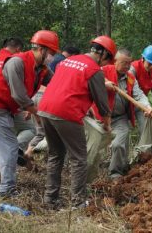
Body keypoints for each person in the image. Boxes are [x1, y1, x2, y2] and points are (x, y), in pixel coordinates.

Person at [38, 35, 113, 209]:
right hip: (66, 112)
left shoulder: (68, 61)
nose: (105, 64)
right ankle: (78, 202)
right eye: (107, 59)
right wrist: (107, 124)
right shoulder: (94, 69)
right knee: (79, 159)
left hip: (45, 108)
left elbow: (69, 88)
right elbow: (102, 103)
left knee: (56, 154)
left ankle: (50, 200)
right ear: (103, 54)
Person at [0, 30, 58, 198]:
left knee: (6, 146)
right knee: (10, 147)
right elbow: (19, 95)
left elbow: (58, 83)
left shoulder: (41, 68)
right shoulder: (17, 63)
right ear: (41, 49)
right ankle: (7, 189)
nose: (52, 57)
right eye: (51, 53)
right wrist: (34, 111)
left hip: (10, 108)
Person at [93, 48, 152, 179]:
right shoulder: (103, 71)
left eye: (129, 63)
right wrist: (104, 83)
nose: (127, 66)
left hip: (120, 118)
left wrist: (147, 106)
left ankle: (115, 173)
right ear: (115, 61)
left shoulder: (131, 78)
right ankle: (90, 173)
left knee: (118, 144)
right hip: (100, 117)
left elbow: (139, 94)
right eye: (124, 63)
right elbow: (89, 79)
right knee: (93, 147)